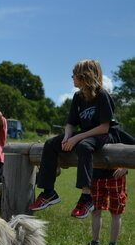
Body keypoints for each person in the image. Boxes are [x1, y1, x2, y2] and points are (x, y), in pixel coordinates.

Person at [30, 60, 115, 218]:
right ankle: (49, 192)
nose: (72, 77)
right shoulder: (78, 96)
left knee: (84, 146)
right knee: (50, 144)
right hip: (84, 134)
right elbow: (71, 123)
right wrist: (67, 137)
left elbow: (105, 127)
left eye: (74, 74)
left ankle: (86, 198)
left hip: (101, 134)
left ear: (85, 76)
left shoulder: (102, 95)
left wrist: (76, 139)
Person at [86, 167, 127, 245]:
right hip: (95, 174)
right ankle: (95, 243)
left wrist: (125, 168)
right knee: (95, 210)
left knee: (116, 212)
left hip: (116, 174)